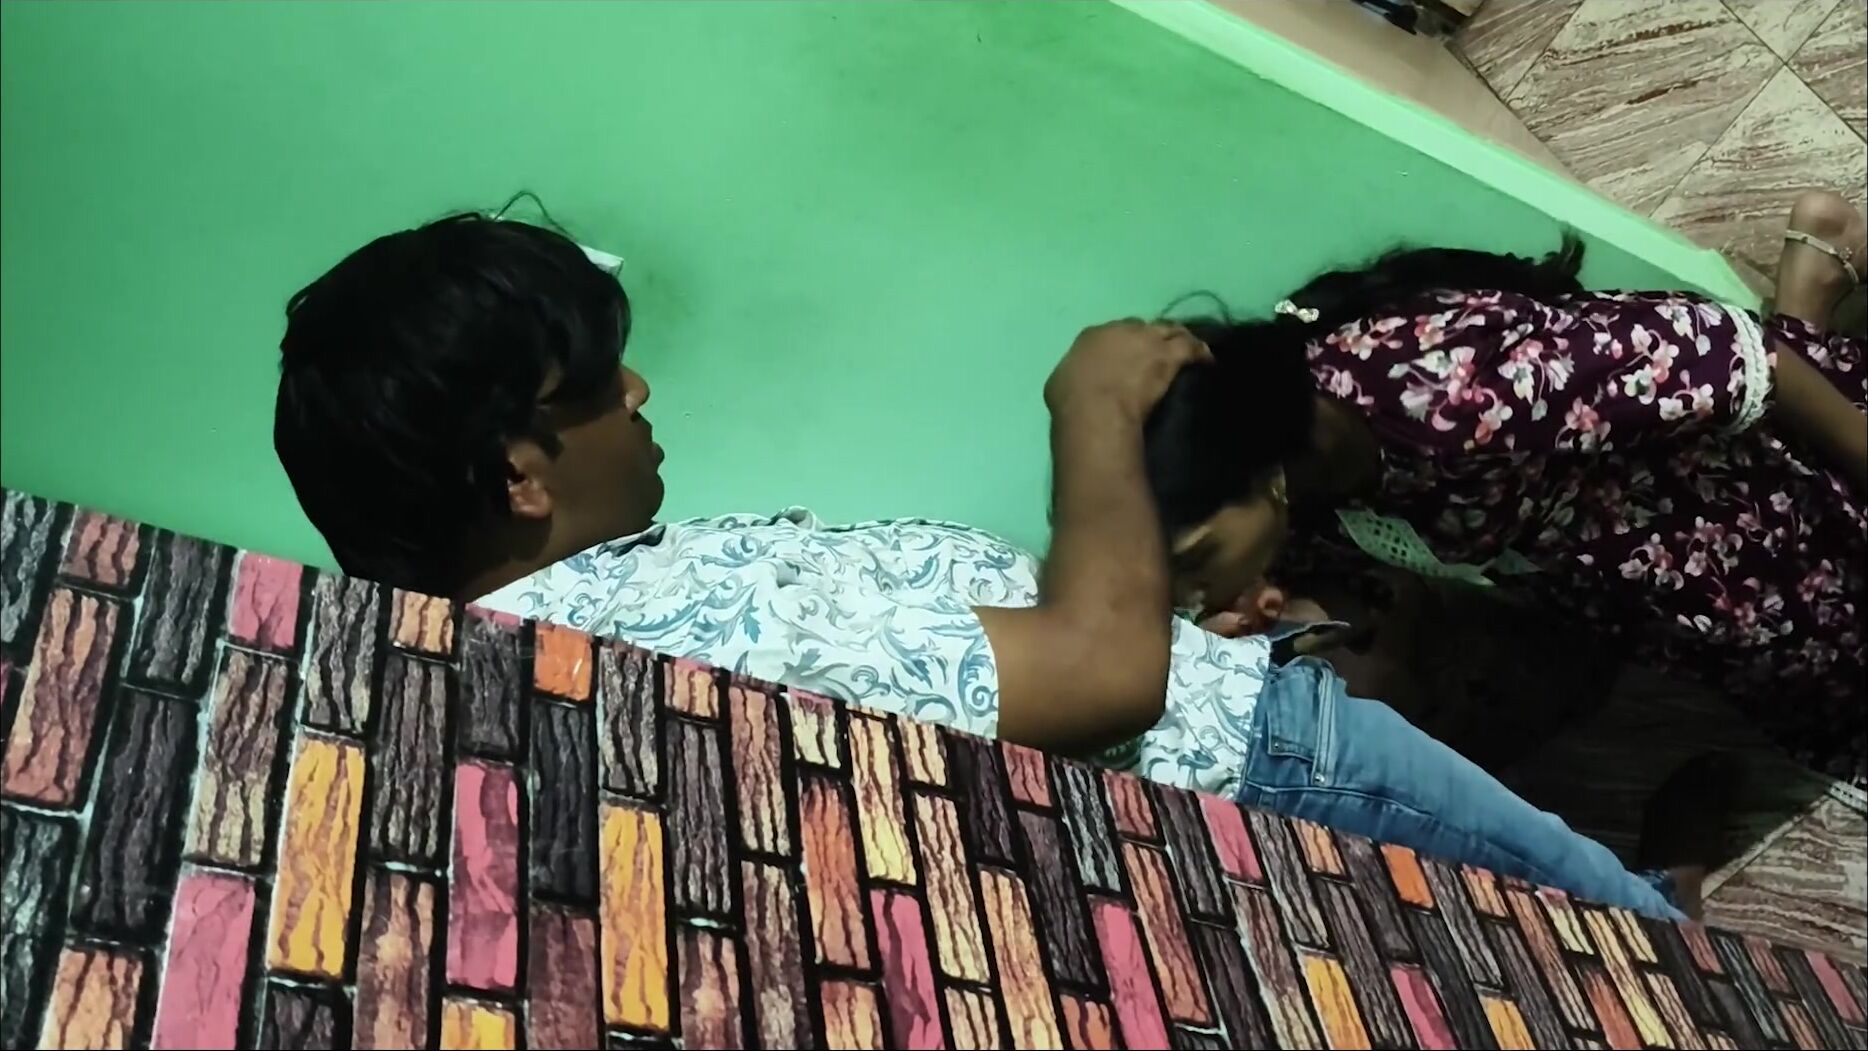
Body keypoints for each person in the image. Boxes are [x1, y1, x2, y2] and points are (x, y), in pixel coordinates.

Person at [274, 209, 1723, 918]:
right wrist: (1091, 410)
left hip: (1226, 760)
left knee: (1557, 881)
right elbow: (1095, 682)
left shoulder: (545, 657)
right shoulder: (648, 629)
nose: (638, 389)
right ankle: (1671, 922)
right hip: (1279, 765)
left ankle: (1632, 882)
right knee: (1631, 939)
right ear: (519, 473)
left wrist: (1149, 604)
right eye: (596, 385)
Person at [1146, 190, 1867, 789]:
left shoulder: (1457, 404)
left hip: (1719, 500)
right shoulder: (1302, 478)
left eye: (1202, 559)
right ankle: (1812, 289)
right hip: (1626, 569)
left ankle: (1811, 297)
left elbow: (1742, 357)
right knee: (1777, 662)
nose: (1207, 589)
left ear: (1255, 475)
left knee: (1829, 642)